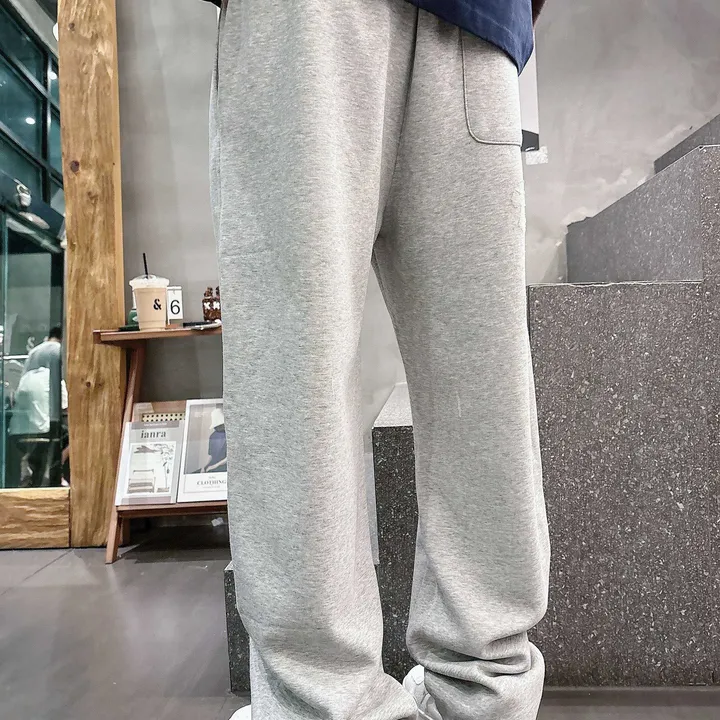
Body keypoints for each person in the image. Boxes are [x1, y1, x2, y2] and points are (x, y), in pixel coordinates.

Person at [208, 0, 550, 718]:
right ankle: (485, 696)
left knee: (297, 379)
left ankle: (323, 703)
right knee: (482, 387)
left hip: (308, 23)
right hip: (481, 25)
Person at [8, 325, 65, 488]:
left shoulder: (34, 353)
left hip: (23, 426)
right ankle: (56, 471)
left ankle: (32, 469)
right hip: (48, 420)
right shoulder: (59, 351)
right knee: (71, 437)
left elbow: (20, 388)